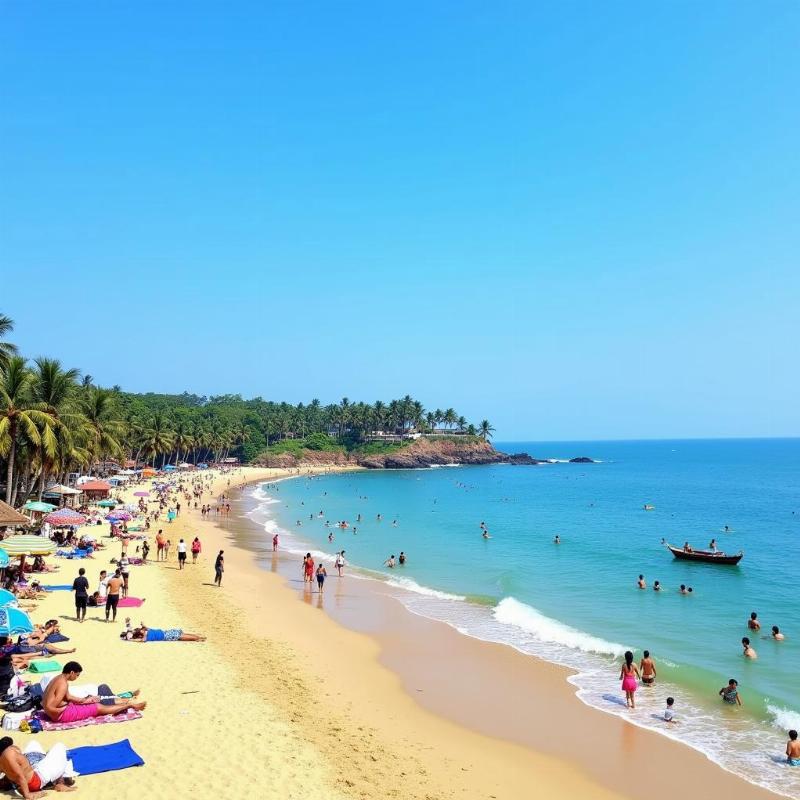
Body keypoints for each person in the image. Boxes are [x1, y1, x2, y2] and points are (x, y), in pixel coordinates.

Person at [42, 662, 146, 724]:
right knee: (98, 707)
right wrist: (64, 708)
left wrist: (84, 700)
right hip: (61, 715)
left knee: (92, 701)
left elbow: (67, 697)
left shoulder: (58, 678)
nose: (77, 677)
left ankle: (128, 702)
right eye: (77, 675)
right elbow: (51, 706)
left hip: (59, 712)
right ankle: (129, 704)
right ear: (72, 672)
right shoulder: (63, 684)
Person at [0, 737, 75, 797]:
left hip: (34, 772)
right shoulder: (10, 753)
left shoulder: (2, 760)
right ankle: (62, 782)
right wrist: (27, 795)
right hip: (39, 778)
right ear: (9, 746)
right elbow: (20, 776)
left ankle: (45, 757)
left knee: (33, 743)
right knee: (60, 746)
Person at [126, 625, 206, 642]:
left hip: (167, 632)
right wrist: (132, 639)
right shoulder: (146, 637)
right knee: (181, 636)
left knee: (182, 634)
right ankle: (198, 638)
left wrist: (133, 631)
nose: (142, 630)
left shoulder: (148, 631)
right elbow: (141, 640)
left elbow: (146, 627)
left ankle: (198, 637)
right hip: (166, 635)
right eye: (141, 630)